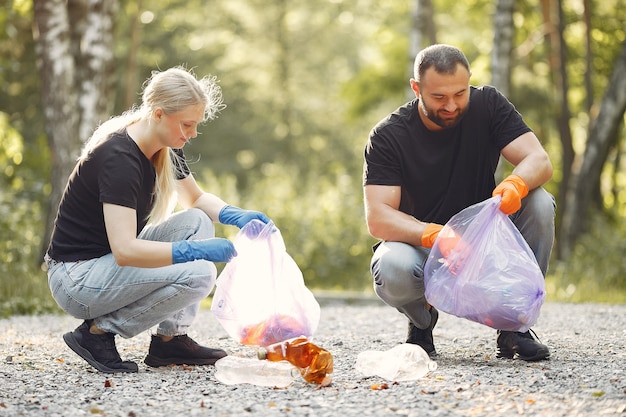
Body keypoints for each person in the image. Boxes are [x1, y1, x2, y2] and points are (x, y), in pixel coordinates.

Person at [44, 66, 271, 373]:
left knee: (197, 221)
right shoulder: (119, 159)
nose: (191, 135)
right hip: (77, 280)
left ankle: (170, 341)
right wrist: (192, 253)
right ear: (160, 113)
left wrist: (235, 215)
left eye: (195, 126)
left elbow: (197, 200)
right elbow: (125, 251)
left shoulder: (164, 146)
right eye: (187, 125)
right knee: (200, 273)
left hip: (104, 264)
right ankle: (97, 333)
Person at [363, 44, 555, 361]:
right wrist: (436, 236)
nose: (451, 105)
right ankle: (421, 324)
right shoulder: (388, 136)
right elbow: (378, 217)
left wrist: (515, 184)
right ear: (416, 88)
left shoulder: (489, 105)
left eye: (460, 93)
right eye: (439, 97)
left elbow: (539, 160)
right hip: (423, 249)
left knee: (539, 202)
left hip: (487, 241)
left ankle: (514, 327)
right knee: (391, 265)